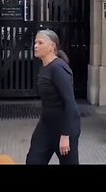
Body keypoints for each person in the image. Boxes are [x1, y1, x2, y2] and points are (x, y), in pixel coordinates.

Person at [26, 29, 81, 165]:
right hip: (46, 125)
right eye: (35, 42)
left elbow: (70, 103)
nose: (36, 46)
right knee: (33, 161)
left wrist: (65, 135)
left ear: (52, 47)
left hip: (65, 127)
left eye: (40, 42)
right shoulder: (45, 67)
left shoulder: (58, 68)